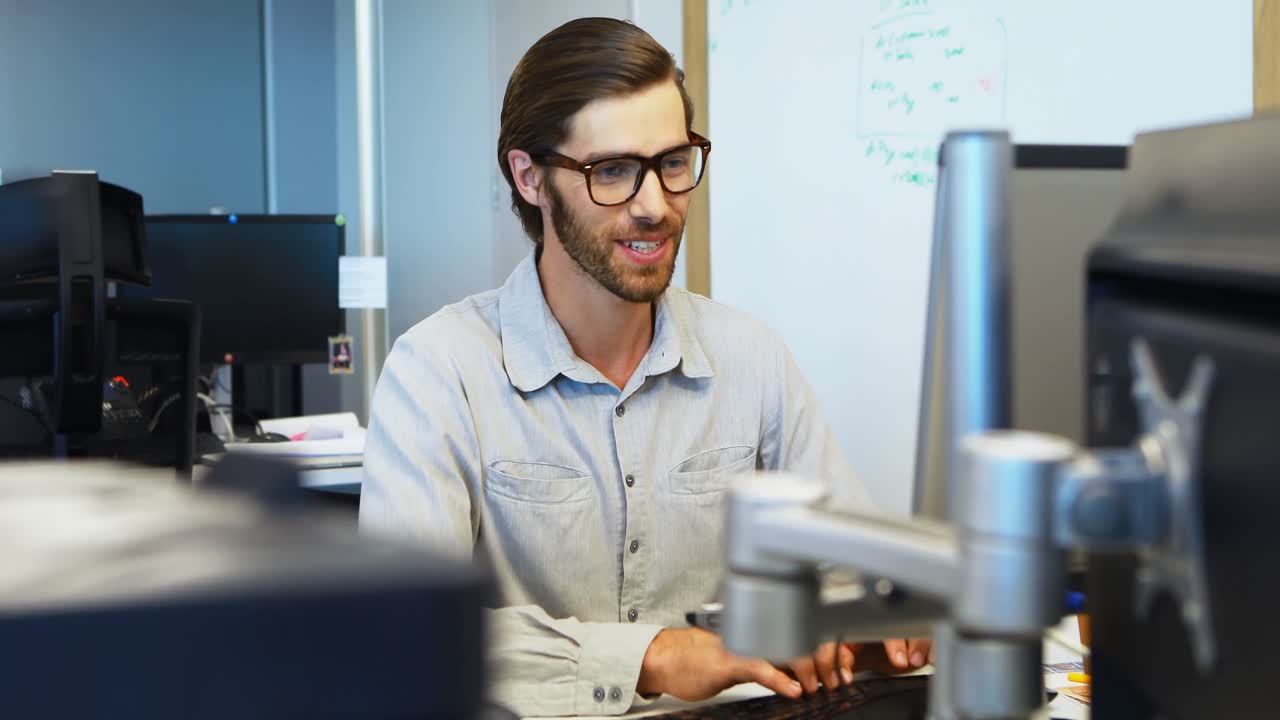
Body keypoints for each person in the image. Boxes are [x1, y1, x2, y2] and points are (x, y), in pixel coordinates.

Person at [359, 17, 930, 717]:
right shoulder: (437, 373)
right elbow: (401, 637)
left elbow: (852, 578)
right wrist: (659, 655)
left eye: (673, 162)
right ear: (530, 177)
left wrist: (871, 627)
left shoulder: (752, 359)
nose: (656, 204)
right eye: (614, 171)